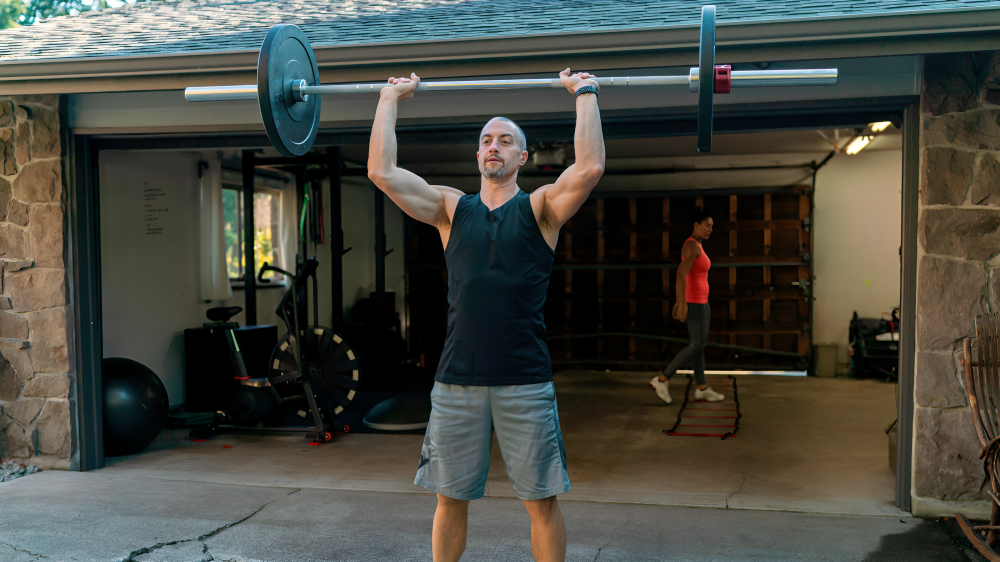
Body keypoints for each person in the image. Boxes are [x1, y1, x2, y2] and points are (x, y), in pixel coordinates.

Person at [367, 69, 605, 562]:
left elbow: (589, 167)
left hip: (525, 380)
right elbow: (381, 172)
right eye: (486, 140)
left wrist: (584, 93)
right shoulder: (451, 209)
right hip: (458, 381)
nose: (493, 146)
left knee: (541, 502)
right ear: (478, 155)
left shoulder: (541, 209)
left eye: (505, 140)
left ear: (522, 156)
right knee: (448, 499)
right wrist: (389, 98)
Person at [648, 210, 726, 404]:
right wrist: (681, 303)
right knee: (697, 344)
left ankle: (701, 388)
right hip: (694, 303)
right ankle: (661, 379)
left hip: (702, 302)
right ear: (696, 225)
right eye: (707, 224)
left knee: (699, 345)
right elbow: (680, 274)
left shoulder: (698, 245)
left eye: (712, 226)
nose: (710, 229)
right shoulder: (691, 246)